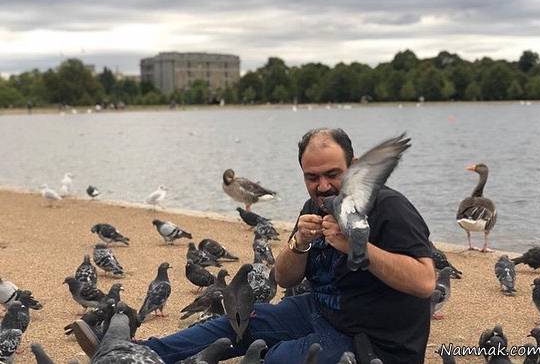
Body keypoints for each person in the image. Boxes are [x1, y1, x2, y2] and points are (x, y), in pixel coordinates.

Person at [74, 127, 435, 364]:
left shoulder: (389, 208)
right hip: (318, 311)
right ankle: (134, 354)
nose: (323, 186)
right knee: (235, 322)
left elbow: (425, 282)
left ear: (354, 168)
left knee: (276, 358)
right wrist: (299, 243)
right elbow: (283, 277)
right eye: (312, 177)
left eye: (332, 174)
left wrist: (357, 247)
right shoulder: (314, 207)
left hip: (374, 340)